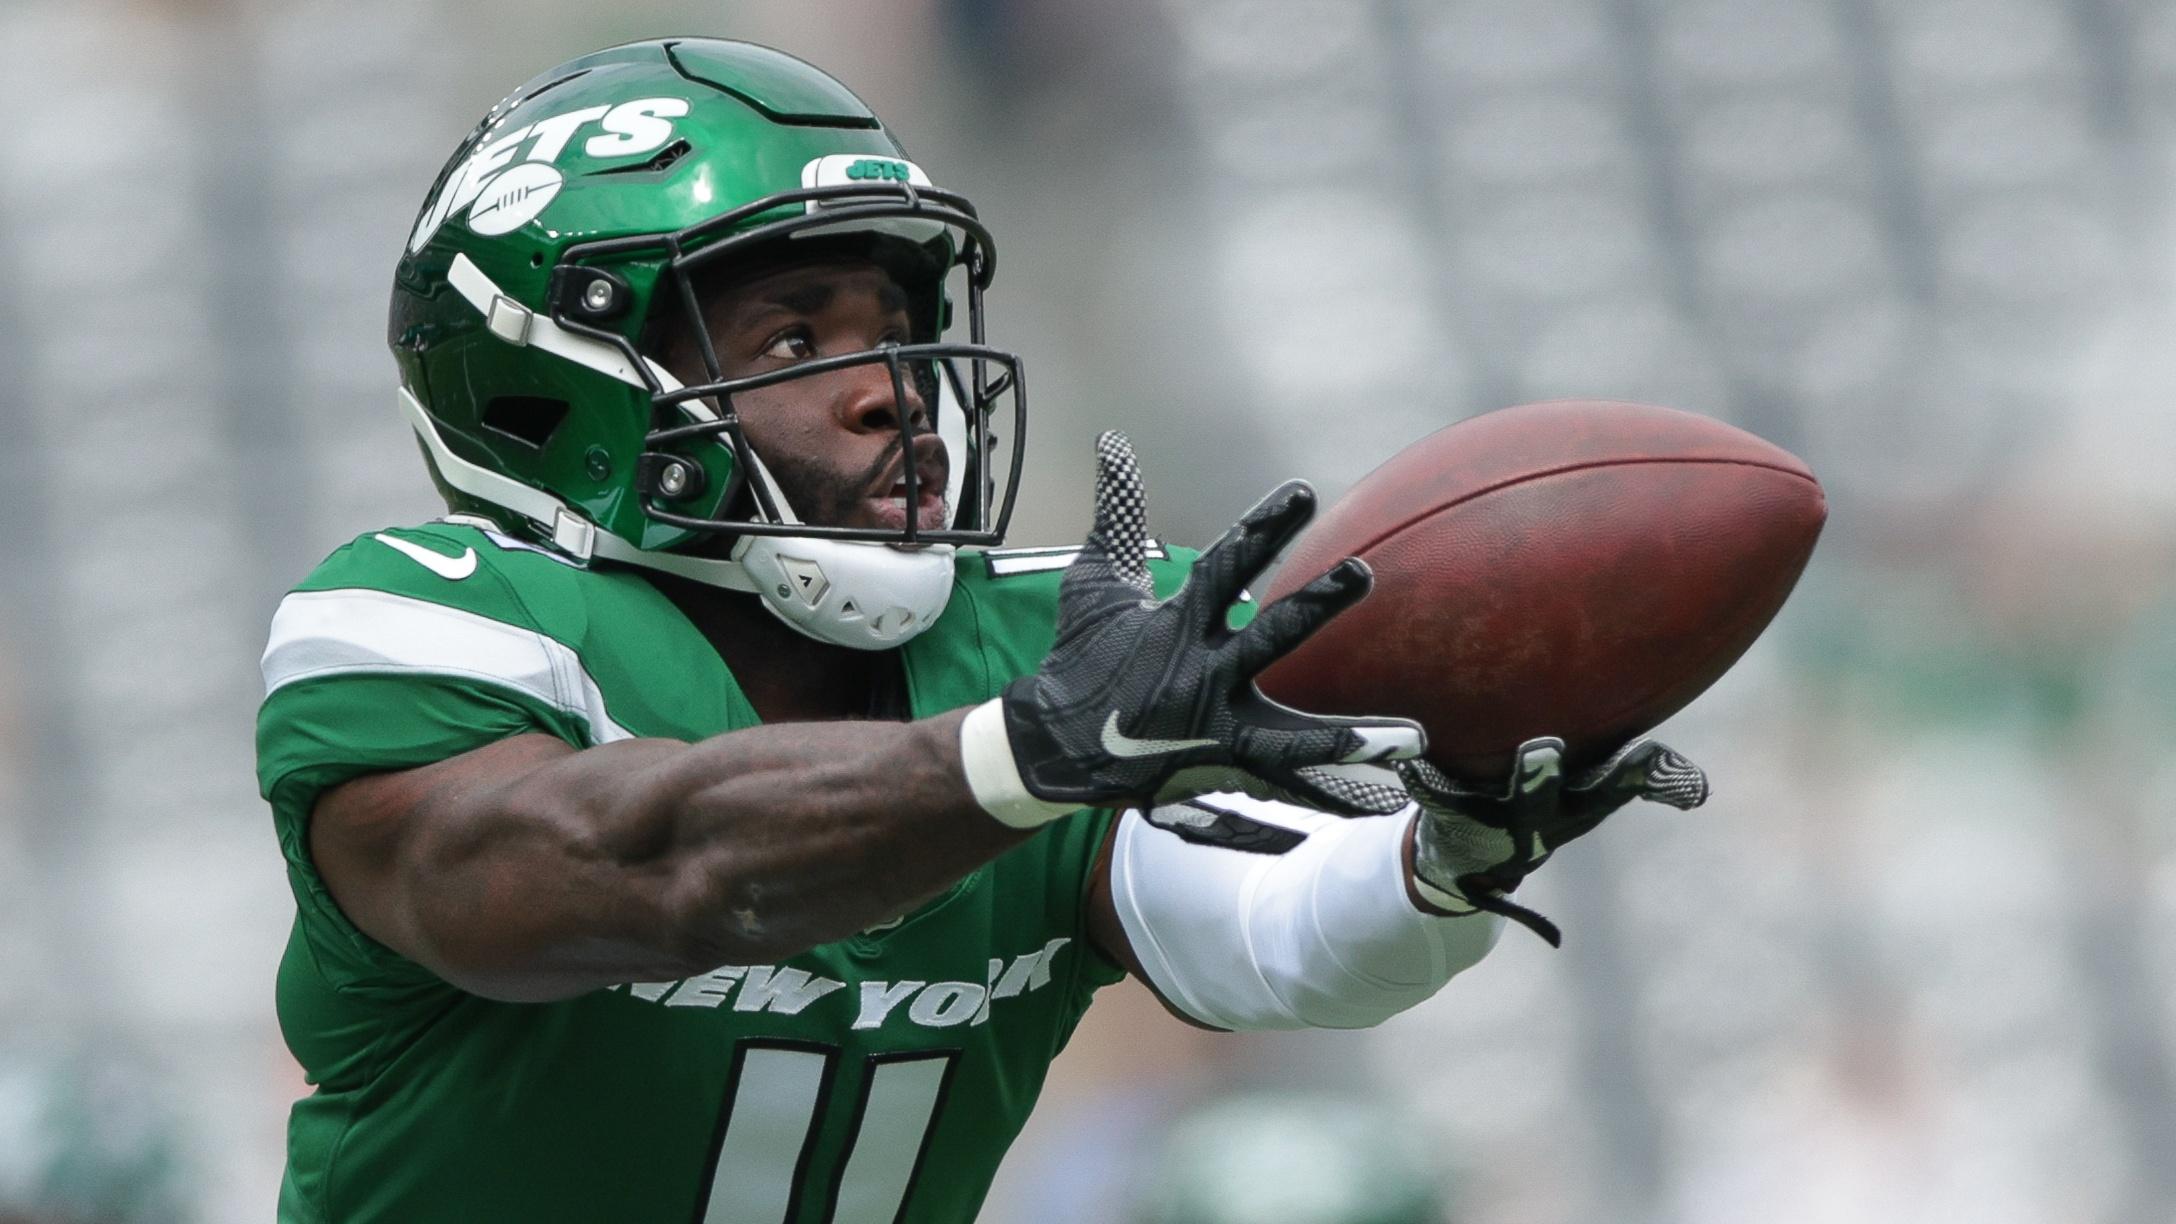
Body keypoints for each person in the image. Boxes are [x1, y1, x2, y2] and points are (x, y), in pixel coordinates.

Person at [255, 38, 1708, 1223]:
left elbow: (1265, 938)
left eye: (896, 319)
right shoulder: (429, 618)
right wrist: (1018, 757)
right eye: (791, 340)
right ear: (555, 386)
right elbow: (588, 877)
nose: (897, 385)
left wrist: (1437, 863)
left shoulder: (1038, 647)